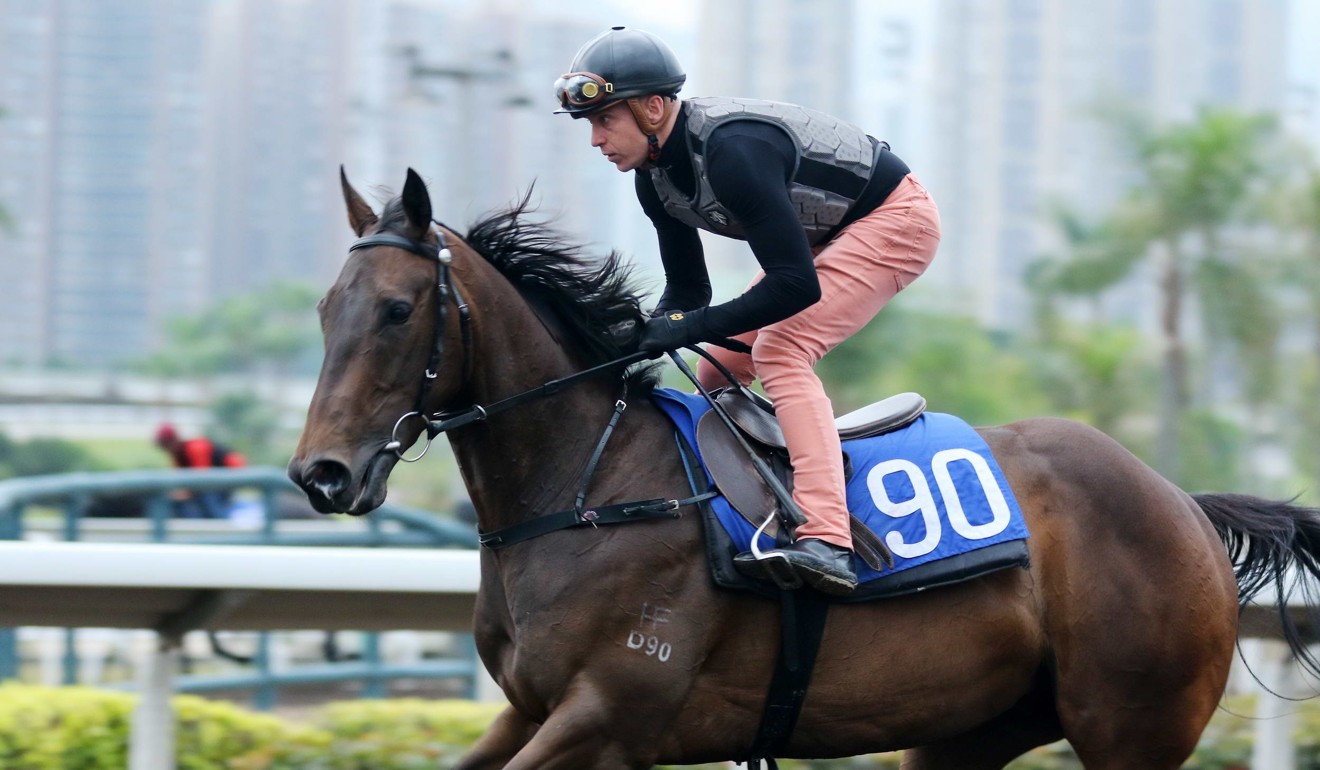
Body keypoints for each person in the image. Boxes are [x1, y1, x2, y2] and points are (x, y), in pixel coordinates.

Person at [553, 27, 941, 595]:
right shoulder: (652, 180)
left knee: (781, 350)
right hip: (824, 236)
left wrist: (684, 326)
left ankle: (827, 536)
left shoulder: (733, 153)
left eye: (605, 120)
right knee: (714, 371)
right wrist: (645, 334)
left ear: (653, 107)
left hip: (894, 220)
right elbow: (689, 296)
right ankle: (746, 509)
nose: (595, 139)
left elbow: (793, 289)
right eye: (591, 124)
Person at [154, 423, 246, 518]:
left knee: (209, 498)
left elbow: (202, 478)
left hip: (227, 477)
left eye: (165, 444)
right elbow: (181, 481)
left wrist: (184, 493)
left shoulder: (195, 447)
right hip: (211, 483)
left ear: (174, 441)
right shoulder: (177, 455)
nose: (164, 449)